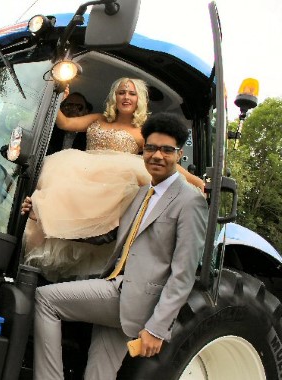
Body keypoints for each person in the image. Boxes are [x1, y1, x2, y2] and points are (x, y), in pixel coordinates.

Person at [33, 112, 208, 380]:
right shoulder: (140, 193)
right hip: (122, 292)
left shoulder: (189, 201)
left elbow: (183, 273)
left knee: (45, 300)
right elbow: (108, 236)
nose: (157, 156)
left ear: (178, 154)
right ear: (143, 150)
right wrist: (46, 220)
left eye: (166, 150)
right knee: (98, 376)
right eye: (150, 148)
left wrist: (157, 328)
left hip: (135, 298)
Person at [22, 77, 205, 281]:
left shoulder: (143, 132)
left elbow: (166, 157)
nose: (126, 97)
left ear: (140, 100)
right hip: (80, 174)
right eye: (121, 92)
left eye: (132, 93)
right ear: (114, 97)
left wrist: (195, 180)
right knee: (52, 185)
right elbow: (65, 123)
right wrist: (57, 98)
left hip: (112, 185)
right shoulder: (98, 118)